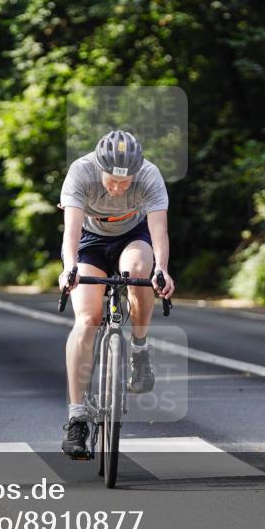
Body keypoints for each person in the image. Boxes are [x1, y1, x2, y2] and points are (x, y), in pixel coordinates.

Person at [57, 130, 175, 457]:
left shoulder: (150, 176)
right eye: (112, 181)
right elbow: (71, 232)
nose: (119, 188)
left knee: (140, 270)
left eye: (126, 183)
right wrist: (69, 268)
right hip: (90, 243)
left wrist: (161, 269)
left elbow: (159, 232)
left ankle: (139, 349)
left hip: (132, 238)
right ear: (100, 166)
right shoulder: (81, 172)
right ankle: (77, 418)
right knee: (88, 318)